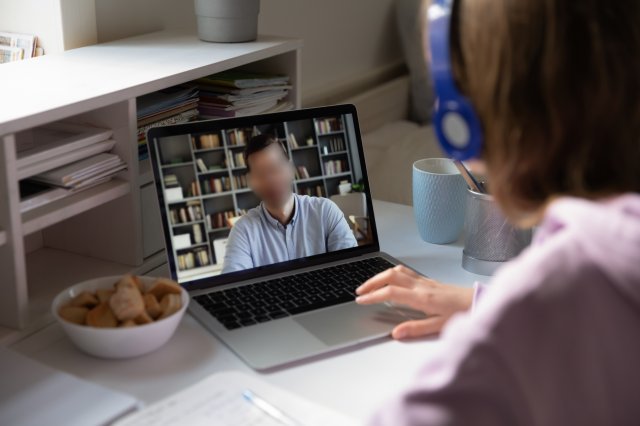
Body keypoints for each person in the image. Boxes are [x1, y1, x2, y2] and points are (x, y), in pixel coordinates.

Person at [355, 0, 640, 424]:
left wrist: (506, 311)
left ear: (465, 120)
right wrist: (479, 302)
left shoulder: (545, 298)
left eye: (443, 92)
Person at [221, 134, 357, 273]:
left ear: (290, 169)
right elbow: (232, 285)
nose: (270, 180)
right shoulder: (243, 230)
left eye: (275, 168)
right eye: (260, 174)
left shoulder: (325, 211)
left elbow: (352, 268)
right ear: (252, 182)